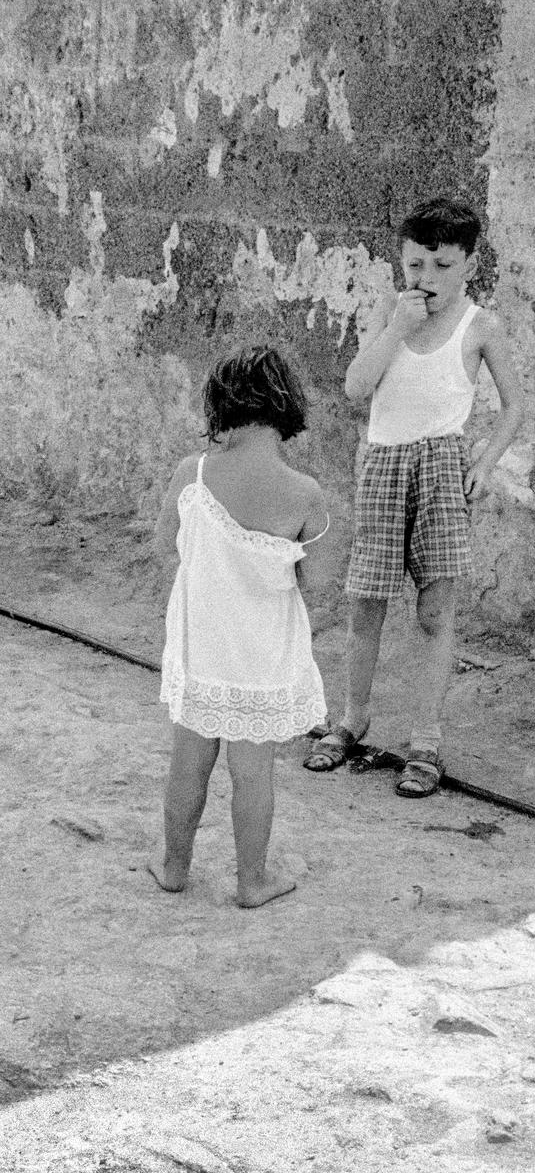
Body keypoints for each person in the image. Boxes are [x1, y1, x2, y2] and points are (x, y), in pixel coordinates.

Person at [303, 197, 524, 796]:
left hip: (441, 467)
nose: (427, 279)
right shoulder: (390, 313)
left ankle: (425, 739)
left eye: (443, 266)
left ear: (470, 264)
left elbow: (515, 406)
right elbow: (355, 387)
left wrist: (483, 464)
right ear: (402, 260)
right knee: (365, 602)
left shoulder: (481, 325)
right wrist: (398, 324)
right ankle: (351, 719)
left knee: (434, 611)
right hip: (383, 464)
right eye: (416, 264)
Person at [149, 346, 329, 907]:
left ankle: (174, 864)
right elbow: (315, 582)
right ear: (288, 410)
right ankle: (252, 879)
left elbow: (163, 550)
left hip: (202, 647)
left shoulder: (191, 474)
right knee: (254, 773)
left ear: (220, 408)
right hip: (261, 657)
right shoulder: (306, 494)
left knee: (189, 761)